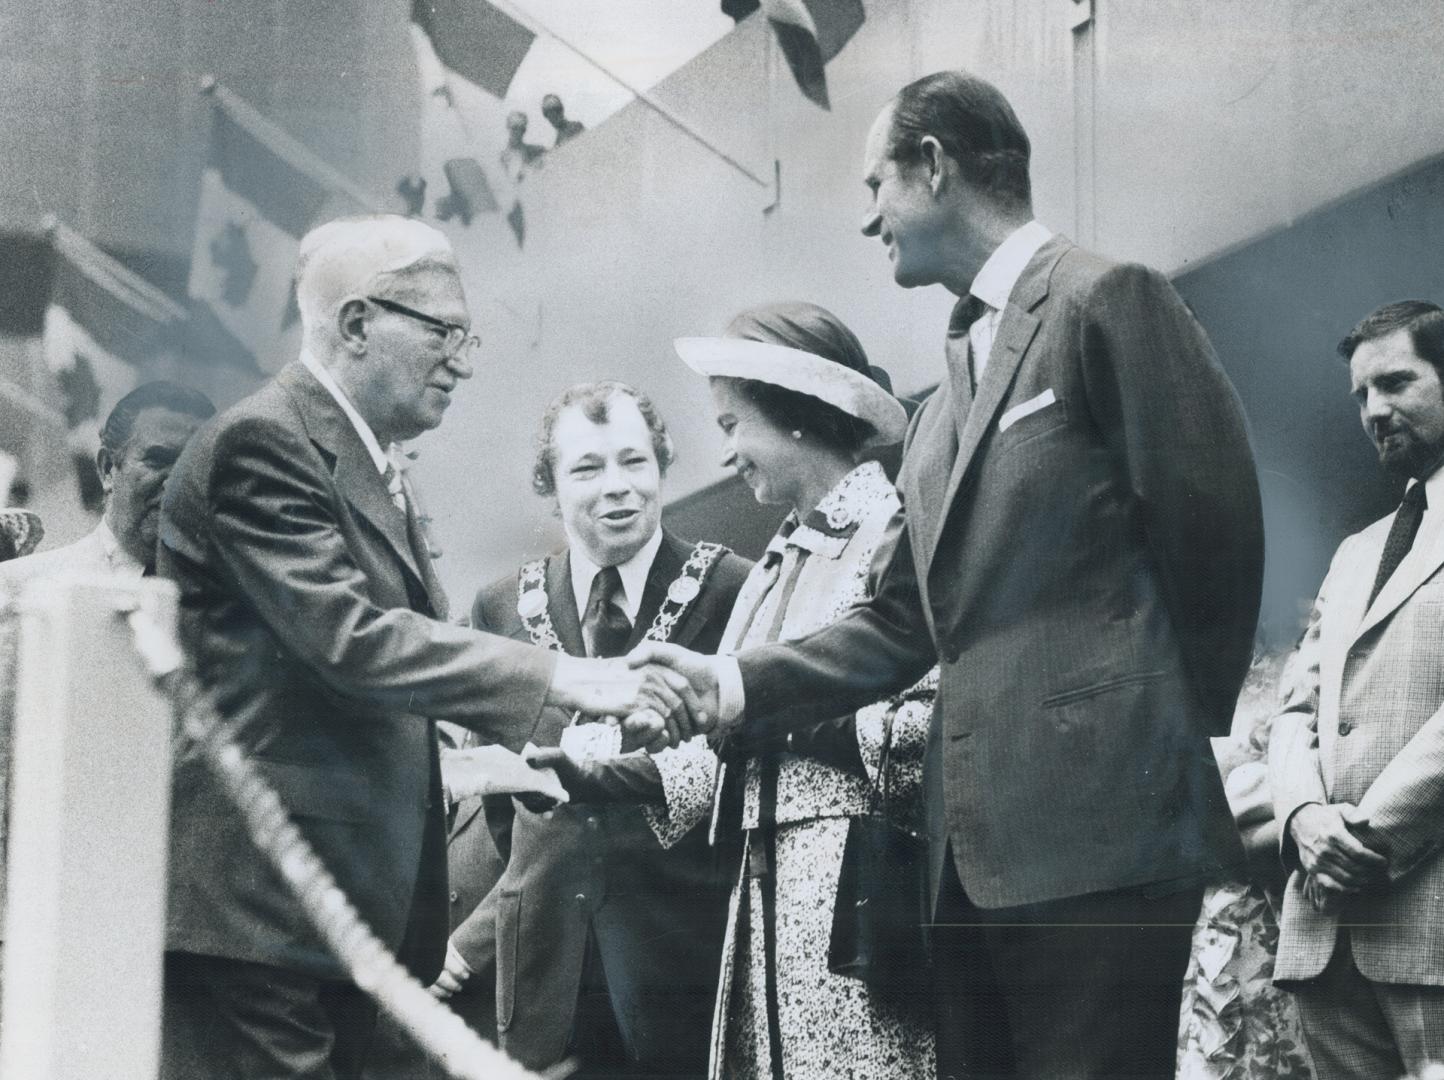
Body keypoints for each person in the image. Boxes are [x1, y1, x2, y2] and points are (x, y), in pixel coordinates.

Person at [633, 70, 1265, 1079]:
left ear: (934, 166)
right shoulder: (933, 419)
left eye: (875, 182)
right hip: (964, 869)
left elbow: (1214, 535)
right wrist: (734, 680)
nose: (865, 216)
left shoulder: (1105, 301)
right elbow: (900, 623)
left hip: (1103, 837)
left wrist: (1143, 739)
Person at [155, 214, 688, 1080]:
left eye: (467, 335)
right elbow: (354, 643)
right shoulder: (262, 444)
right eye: (444, 331)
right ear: (357, 324)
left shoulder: (355, 458)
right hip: (263, 919)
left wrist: (482, 764)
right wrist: (569, 676)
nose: (466, 359)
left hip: (322, 921)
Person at [636, 302, 936, 1077]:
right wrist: (572, 774)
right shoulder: (770, 565)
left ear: (798, 417)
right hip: (766, 895)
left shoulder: (893, 531)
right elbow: (716, 747)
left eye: (734, 424)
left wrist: (785, 721)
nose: (727, 452)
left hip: (859, 899)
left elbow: (928, 727)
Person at [433, 381, 750, 1079]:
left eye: (634, 462)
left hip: (684, 957)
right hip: (543, 966)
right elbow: (496, 810)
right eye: (587, 469)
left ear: (662, 467)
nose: (618, 488)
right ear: (550, 486)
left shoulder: (733, 590)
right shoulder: (500, 609)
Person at [1269, 300, 1444, 1079]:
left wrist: (1366, 836)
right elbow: (1293, 709)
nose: (1375, 410)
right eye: (1360, 396)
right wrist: (1304, 818)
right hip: (1323, 931)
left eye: (1397, 382)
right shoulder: (1353, 553)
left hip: (1428, 918)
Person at [2, 380, 214, 584]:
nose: (175, 483)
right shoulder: (22, 585)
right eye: (158, 460)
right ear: (107, 469)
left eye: (193, 468)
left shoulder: (229, 600)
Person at [500, 110, 546, 183]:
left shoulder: (537, 150)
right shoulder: (502, 158)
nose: (518, 132)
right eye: (514, 128)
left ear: (524, 130)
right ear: (508, 127)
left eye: (521, 128)